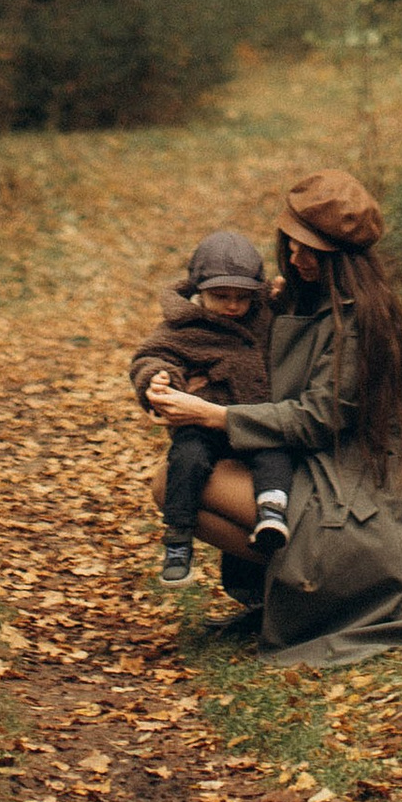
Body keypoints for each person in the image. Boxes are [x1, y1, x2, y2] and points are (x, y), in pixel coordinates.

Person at [146, 169, 402, 661]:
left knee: (171, 483)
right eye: (290, 245)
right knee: (180, 476)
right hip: (322, 471)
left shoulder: (362, 319)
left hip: (355, 497)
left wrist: (214, 415)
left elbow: (318, 418)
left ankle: (307, 596)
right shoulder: (308, 297)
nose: (295, 258)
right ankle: (282, 595)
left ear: (338, 258)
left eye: (308, 251)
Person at [127, 227, 293, 586]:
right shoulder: (182, 327)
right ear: (199, 292)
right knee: (187, 460)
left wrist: (288, 296)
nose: (233, 305)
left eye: (242, 296)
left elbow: (294, 323)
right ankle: (177, 538)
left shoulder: (265, 317)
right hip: (202, 423)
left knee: (274, 456)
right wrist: (158, 379)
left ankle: (271, 513)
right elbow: (150, 356)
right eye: (221, 296)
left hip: (255, 421)